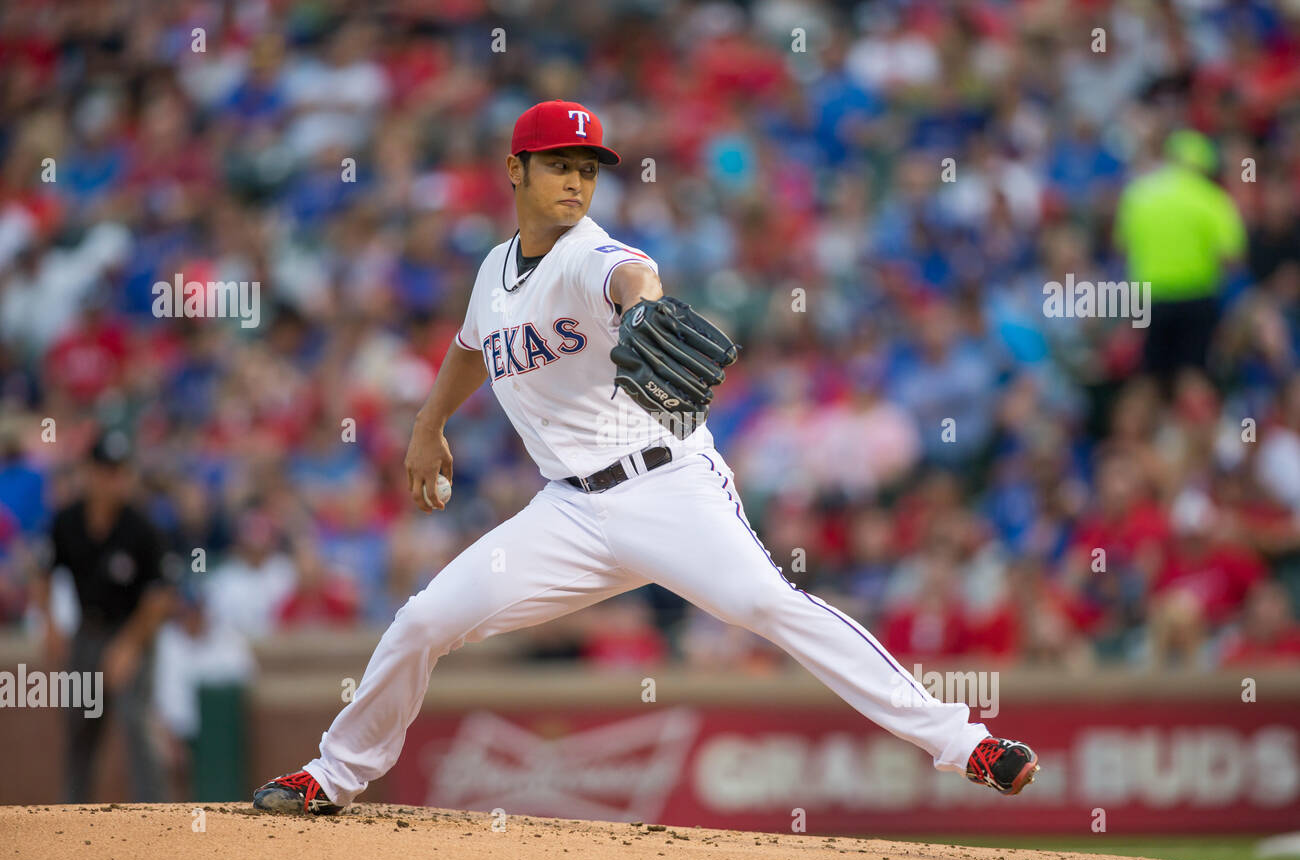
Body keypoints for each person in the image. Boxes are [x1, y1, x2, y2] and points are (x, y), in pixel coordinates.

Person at [253, 100, 1039, 816]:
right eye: (560, 163)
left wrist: (645, 307)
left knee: (769, 606)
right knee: (423, 619)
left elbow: (632, 275)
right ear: (514, 171)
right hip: (567, 511)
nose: (576, 181)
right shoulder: (494, 272)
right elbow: (469, 349)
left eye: (587, 168)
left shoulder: (590, 253)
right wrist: (428, 427)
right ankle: (333, 775)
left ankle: (963, 743)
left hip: (668, 488)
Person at [34, 429, 172, 802]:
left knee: (135, 720)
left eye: (121, 471)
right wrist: (49, 625)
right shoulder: (67, 521)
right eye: (107, 471)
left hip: (133, 632)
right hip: (87, 634)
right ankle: (72, 815)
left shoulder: (141, 528)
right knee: (80, 725)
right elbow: (43, 572)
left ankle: (157, 815)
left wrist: (127, 646)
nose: (116, 480)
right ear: (90, 473)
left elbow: (159, 597)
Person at [1114, 129, 1246, 391]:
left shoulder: (1137, 194)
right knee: (1193, 373)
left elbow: (1122, 247)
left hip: (1148, 297)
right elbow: (1232, 256)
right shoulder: (1212, 198)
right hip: (1197, 296)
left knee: (1151, 374)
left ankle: (1153, 428)